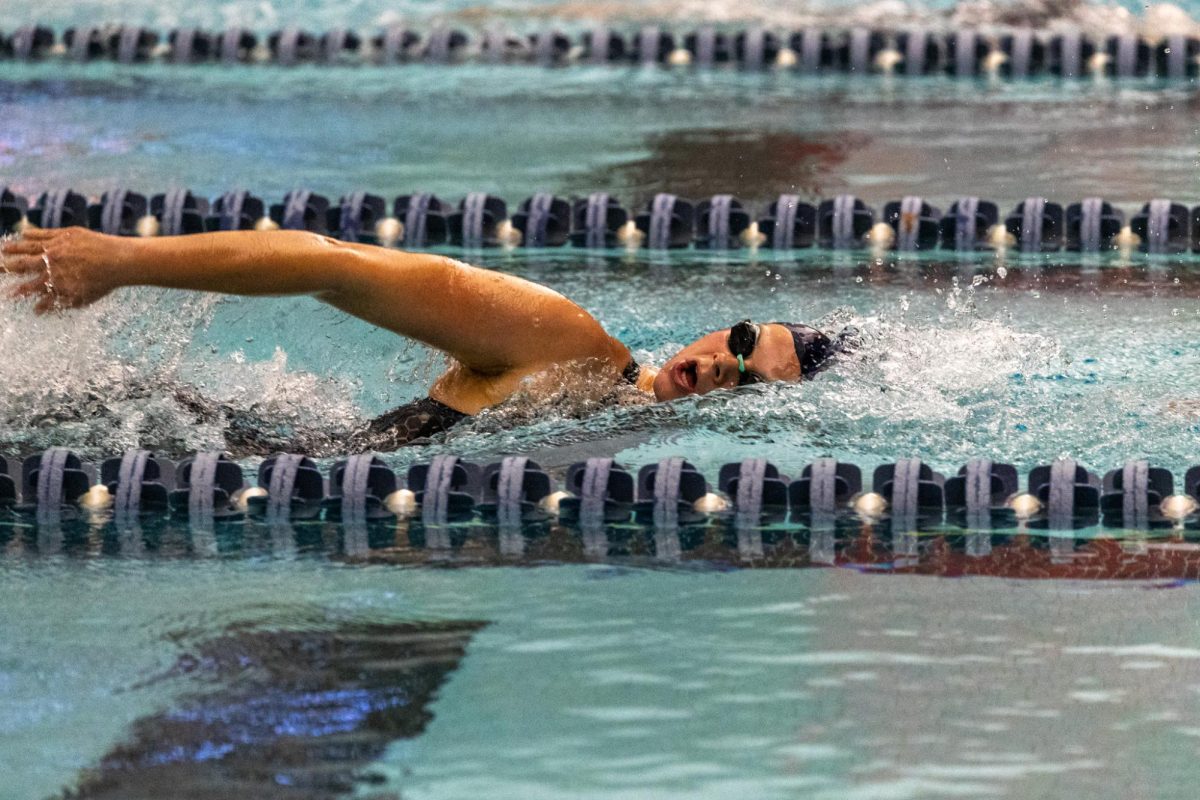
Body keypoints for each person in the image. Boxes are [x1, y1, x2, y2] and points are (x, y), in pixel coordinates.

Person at [1, 226, 848, 452]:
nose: (715, 366)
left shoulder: (617, 428)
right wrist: (125, 259)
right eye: (739, 338)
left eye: (746, 380)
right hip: (203, 451)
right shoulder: (567, 345)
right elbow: (332, 265)